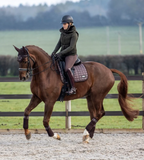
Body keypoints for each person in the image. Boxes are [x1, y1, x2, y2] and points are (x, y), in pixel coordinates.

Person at [52, 15, 79, 95]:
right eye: (63, 24)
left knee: (67, 69)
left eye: (65, 24)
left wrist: (60, 53)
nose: (63, 25)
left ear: (70, 24)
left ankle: (73, 88)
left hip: (71, 55)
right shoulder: (63, 33)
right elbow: (59, 43)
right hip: (63, 53)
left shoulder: (74, 34)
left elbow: (71, 47)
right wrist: (54, 52)